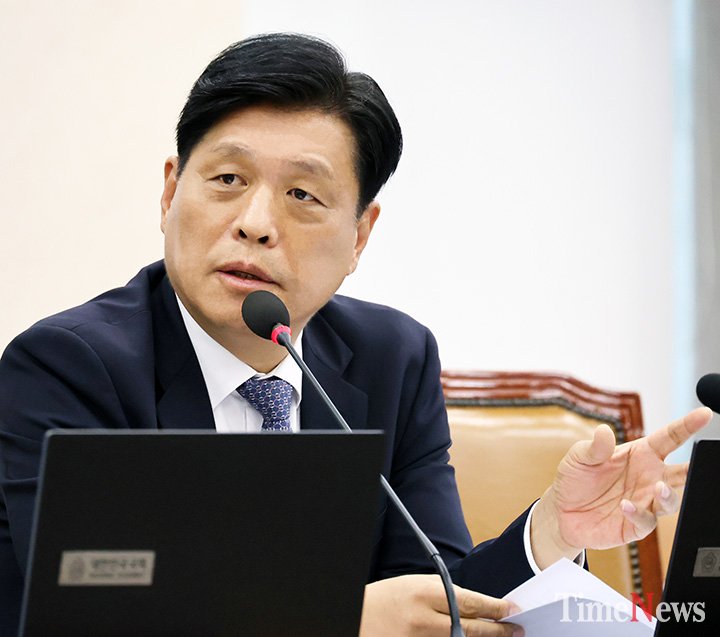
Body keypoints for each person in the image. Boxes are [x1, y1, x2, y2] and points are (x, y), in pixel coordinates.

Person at [0, 33, 710, 637]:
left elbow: (434, 599)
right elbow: (93, 618)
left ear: (361, 236)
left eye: (302, 194)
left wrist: (551, 531)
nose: (255, 222)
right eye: (227, 178)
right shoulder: (68, 367)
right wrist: (341, 621)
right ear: (169, 191)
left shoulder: (389, 359)